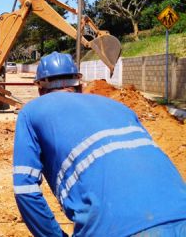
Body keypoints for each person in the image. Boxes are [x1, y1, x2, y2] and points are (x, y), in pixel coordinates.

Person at [13, 52, 186, 237]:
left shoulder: (31, 112)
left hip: (111, 228)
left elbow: (25, 189)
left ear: (40, 90)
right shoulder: (120, 107)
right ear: (79, 85)